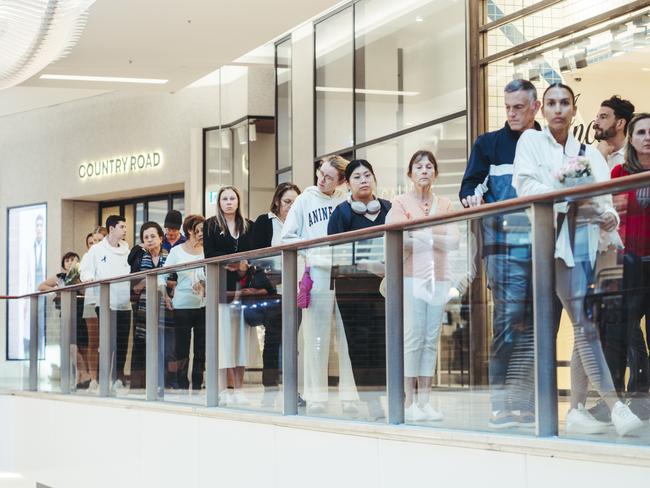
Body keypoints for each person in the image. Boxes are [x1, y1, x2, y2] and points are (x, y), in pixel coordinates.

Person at [513, 82, 642, 436]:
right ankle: (615, 406)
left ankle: (576, 410)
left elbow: (605, 201)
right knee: (585, 323)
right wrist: (568, 194)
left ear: (573, 109)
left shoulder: (589, 150)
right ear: (542, 109)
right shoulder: (531, 142)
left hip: (592, 245)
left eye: (564, 103)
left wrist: (606, 216)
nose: (558, 109)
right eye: (551, 103)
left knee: (589, 324)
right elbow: (525, 187)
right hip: (554, 245)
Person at [459, 79, 543, 428]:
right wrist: (472, 198)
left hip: (543, 247)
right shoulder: (488, 144)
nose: (511, 113)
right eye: (507, 106)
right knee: (508, 324)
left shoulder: (546, 144)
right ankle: (499, 404)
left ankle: (523, 405)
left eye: (519, 107)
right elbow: (468, 186)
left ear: (534, 107)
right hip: (504, 249)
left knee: (535, 327)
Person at [281, 156, 359, 415]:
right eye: (320, 173)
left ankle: (350, 395)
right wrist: (311, 251)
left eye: (328, 177)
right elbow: (288, 235)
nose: (321, 179)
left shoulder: (347, 200)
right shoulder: (305, 199)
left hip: (346, 272)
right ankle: (315, 395)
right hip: (317, 272)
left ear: (342, 181)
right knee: (316, 337)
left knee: (348, 336)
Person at [386, 150, 459, 422]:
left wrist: (420, 234)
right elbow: (398, 238)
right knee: (413, 337)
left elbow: (454, 241)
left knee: (430, 338)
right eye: (419, 167)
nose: (424, 171)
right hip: (411, 277)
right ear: (410, 173)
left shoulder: (445, 204)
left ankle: (425, 402)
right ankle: (408, 402)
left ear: (436, 173)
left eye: (429, 166)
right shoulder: (400, 202)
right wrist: (433, 235)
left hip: (440, 277)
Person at [327, 159, 391, 420]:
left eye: (367, 175)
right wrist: (366, 263)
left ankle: (398, 396)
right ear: (348, 183)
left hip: (388, 288)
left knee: (386, 343)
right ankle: (373, 402)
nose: (363, 180)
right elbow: (335, 253)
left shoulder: (389, 208)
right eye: (357, 177)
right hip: (353, 291)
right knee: (360, 345)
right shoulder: (341, 214)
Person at [609, 113, 650, 420]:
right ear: (632, 138)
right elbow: (611, 217)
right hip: (629, 263)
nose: (647, 137)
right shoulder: (620, 172)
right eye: (641, 132)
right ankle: (622, 399)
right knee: (624, 333)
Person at [204, 186, 258, 405]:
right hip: (222, 287)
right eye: (224, 198)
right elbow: (210, 255)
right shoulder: (211, 225)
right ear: (219, 202)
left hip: (243, 288)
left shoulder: (248, 225)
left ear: (238, 201)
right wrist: (233, 262)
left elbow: (254, 253)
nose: (228, 202)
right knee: (224, 338)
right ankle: (223, 387)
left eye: (232, 198)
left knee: (241, 340)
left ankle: (239, 388)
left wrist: (243, 266)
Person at [251, 182, 300, 406]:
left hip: (296, 290)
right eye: (287, 201)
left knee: (293, 342)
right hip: (272, 292)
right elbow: (255, 255)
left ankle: (293, 389)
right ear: (278, 201)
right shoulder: (265, 222)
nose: (291, 206)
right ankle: (269, 389)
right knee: (272, 341)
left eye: (295, 202)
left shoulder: (301, 222)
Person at [80, 215, 131, 391]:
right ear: (111, 229)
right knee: (107, 342)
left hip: (124, 302)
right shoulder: (96, 250)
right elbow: (85, 270)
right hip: (105, 301)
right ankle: (103, 378)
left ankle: (118, 377)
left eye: (125, 227)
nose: (125, 230)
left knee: (122, 342)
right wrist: (89, 279)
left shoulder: (127, 249)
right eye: (122, 227)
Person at [162, 215, 206, 390]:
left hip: (203, 304)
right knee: (181, 348)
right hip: (181, 305)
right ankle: (181, 383)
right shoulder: (177, 251)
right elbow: (162, 275)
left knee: (201, 347)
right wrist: (166, 296)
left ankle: (197, 382)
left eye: (204, 230)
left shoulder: (207, 250)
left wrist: (204, 283)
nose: (202, 233)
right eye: (199, 230)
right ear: (189, 230)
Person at [127, 222, 168, 389]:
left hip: (165, 305)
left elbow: (172, 281)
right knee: (141, 344)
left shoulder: (170, 256)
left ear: (160, 238)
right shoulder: (138, 258)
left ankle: (162, 382)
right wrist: (153, 279)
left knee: (163, 344)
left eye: (153, 236)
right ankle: (139, 384)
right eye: (146, 237)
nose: (150, 240)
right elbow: (135, 286)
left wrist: (149, 280)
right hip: (143, 307)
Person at [38, 252, 88, 388]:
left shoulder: (82, 275)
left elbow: (85, 292)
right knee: (71, 345)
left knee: (82, 346)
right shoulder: (60, 277)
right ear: (63, 264)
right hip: (66, 313)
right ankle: (83, 372)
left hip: (80, 312)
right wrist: (59, 289)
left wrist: (78, 282)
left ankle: (80, 377)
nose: (70, 262)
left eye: (73, 260)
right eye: (67, 260)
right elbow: (41, 286)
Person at [79, 226, 107, 391]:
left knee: (107, 342)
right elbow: (83, 276)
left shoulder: (109, 254)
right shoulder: (87, 256)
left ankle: (107, 377)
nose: (95, 244)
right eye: (92, 241)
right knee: (93, 342)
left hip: (106, 301)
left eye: (98, 240)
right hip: (91, 301)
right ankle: (94, 378)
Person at [593, 95, 636, 169]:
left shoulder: (635, 158)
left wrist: (601, 157)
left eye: (603, 117)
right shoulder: (592, 154)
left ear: (620, 123)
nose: (595, 123)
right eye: (597, 117)